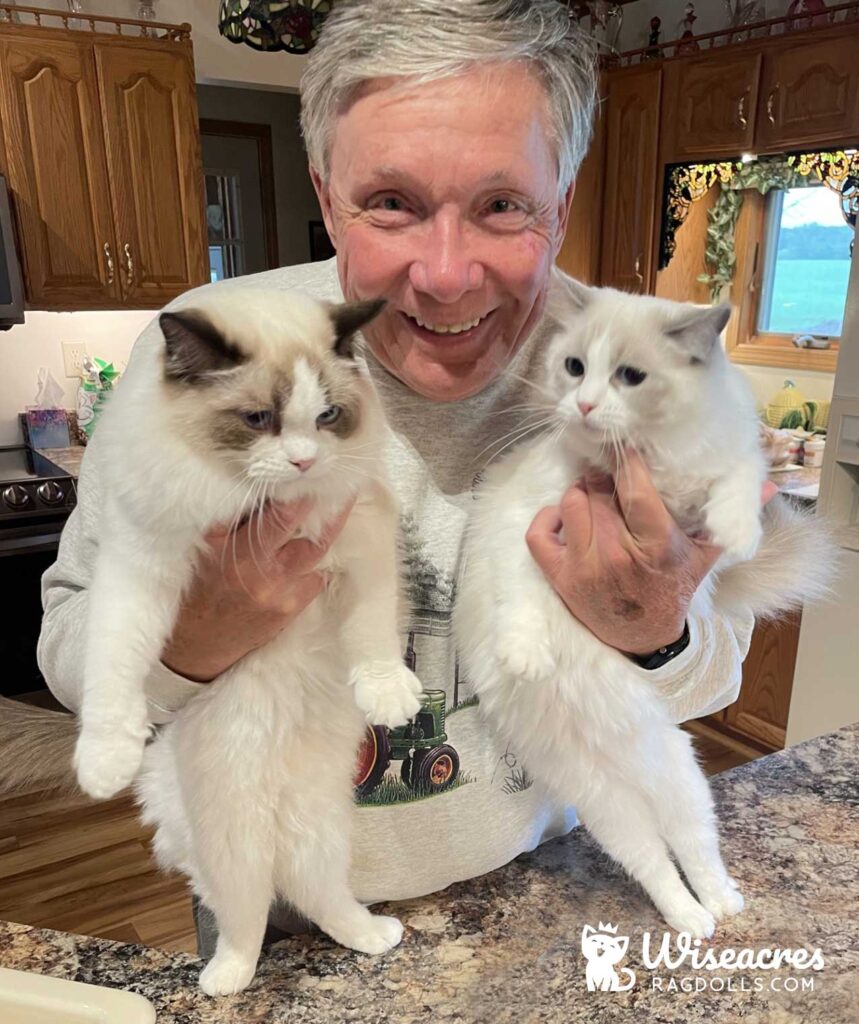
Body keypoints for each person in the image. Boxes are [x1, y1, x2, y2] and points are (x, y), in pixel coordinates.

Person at [39, 0, 754, 945]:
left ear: (563, 203)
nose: (446, 274)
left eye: (502, 206)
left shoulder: (649, 372)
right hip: (276, 898)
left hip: (548, 884)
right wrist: (194, 636)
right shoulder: (208, 348)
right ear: (327, 195)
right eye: (391, 203)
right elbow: (66, 649)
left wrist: (654, 632)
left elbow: (715, 676)